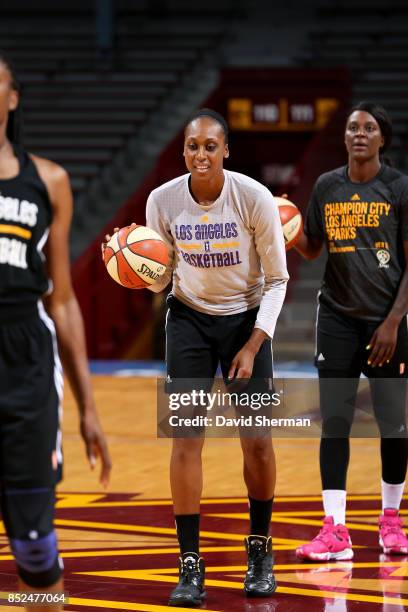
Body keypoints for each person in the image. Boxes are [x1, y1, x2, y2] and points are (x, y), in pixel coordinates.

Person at [146, 109, 288, 605]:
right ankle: (189, 564)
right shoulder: (161, 201)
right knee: (185, 442)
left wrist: (254, 344)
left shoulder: (253, 197)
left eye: (210, 146)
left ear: (226, 150)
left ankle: (260, 550)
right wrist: (135, 265)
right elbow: (162, 279)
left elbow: (277, 279)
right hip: (187, 319)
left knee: (258, 443)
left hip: (245, 321)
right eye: (192, 146)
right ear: (183, 150)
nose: (200, 154)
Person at [0, 51, 111, 611]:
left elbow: (63, 300)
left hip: (24, 356)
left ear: (13, 96)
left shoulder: (49, 181)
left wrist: (89, 408)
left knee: (36, 551)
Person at [294, 102, 408, 561]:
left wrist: (393, 322)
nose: (359, 134)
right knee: (335, 424)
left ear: (383, 139)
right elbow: (312, 247)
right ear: (344, 138)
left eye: (369, 128)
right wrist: (286, 231)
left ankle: (391, 522)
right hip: (338, 318)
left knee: (394, 425)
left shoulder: (399, 188)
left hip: (388, 320)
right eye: (352, 127)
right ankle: (335, 531)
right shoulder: (327, 186)